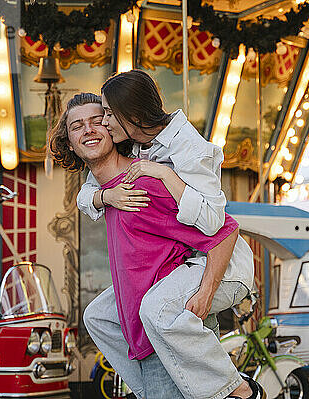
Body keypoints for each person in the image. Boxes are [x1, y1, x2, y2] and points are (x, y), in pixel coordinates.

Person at [50, 93, 263, 399]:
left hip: (165, 328)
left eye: (98, 121)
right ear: (69, 142)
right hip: (146, 335)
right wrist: (103, 197)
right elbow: (86, 197)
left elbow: (224, 230)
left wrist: (205, 294)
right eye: (77, 126)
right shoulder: (107, 191)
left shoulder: (143, 184)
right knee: (96, 316)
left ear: (112, 128)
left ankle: (237, 389)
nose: (89, 130)